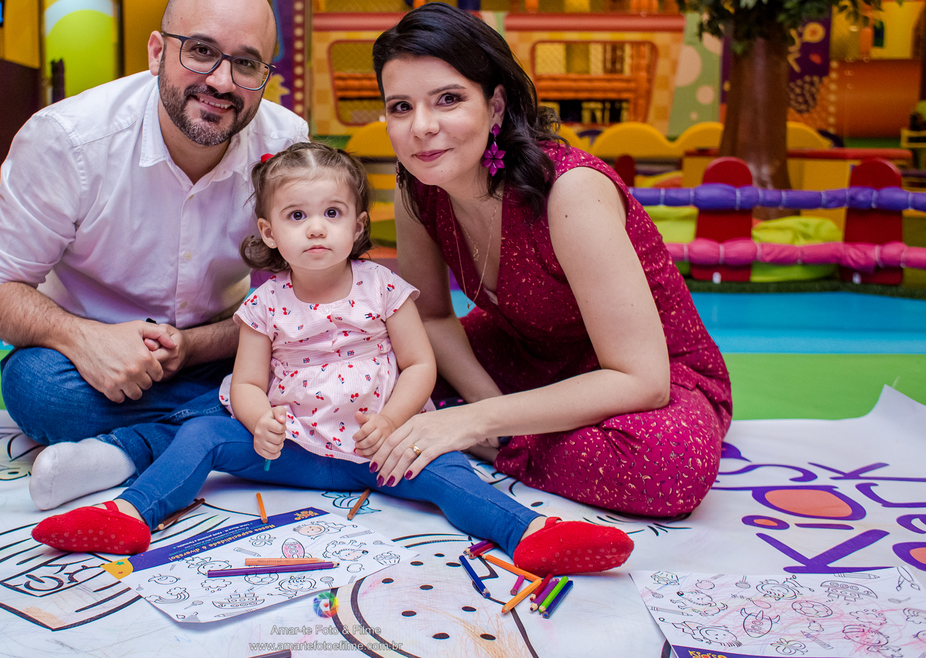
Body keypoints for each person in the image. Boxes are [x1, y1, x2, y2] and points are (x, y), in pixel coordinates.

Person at [31, 143, 634, 575]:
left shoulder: (384, 288)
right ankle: (129, 513)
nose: (316, 229)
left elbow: (421, 366)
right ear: (269, 232)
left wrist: (396, 420)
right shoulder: (264, 304)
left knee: (452, 475)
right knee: (201, 436)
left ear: (358, 225)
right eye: (297, 217)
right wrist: (258, 417)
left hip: (378, 450)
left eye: (332, 214)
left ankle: (529, 533)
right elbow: (245, 379)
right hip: (289, 449)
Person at [367, 3, 732, 518]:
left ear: (495, 107)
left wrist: (476, 424)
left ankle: (494, 443)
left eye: (447, 99)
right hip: (526, 354)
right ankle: (508, 431)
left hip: (652, 376)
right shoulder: (418, 191)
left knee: (668, 465)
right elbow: (429, 317)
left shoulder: (569, 190)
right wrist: (487, 405)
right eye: (400, 107)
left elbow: (641, 379)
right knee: (375, 363)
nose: (421, 127)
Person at [0, 0, 308, 511]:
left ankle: (129, 449)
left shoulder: (286, 146)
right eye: (200, 52)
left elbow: (301, 300)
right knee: (38, 388)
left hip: (228, 347)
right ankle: (228, 431)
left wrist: (197, 346)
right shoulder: (67, 140)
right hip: (99, 369)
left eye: (246, 64)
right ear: (156, 52)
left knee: (316, 360)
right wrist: (83, 340)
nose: (221, 81)